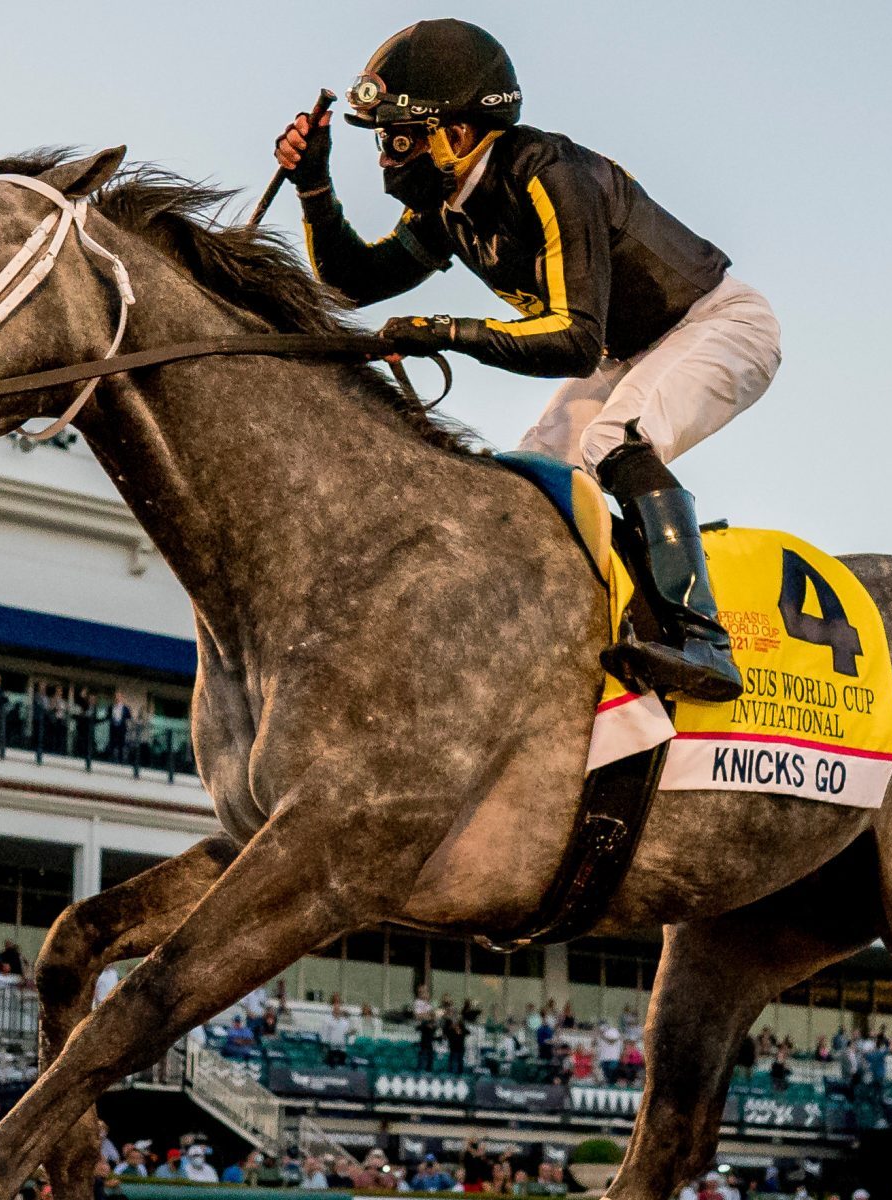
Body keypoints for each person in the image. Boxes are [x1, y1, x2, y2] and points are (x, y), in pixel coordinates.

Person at [275, 19, 775, 701]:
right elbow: (351, 282)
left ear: (454, 134)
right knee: (531, 476)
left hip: (717, 322)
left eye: (398, 137)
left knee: (615, 440)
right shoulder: (452, 205)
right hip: (622, 350)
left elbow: (570, 340)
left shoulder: (549, 174)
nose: (389, 158)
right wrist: (312, 185)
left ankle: (702, 641)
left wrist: (446, 330)